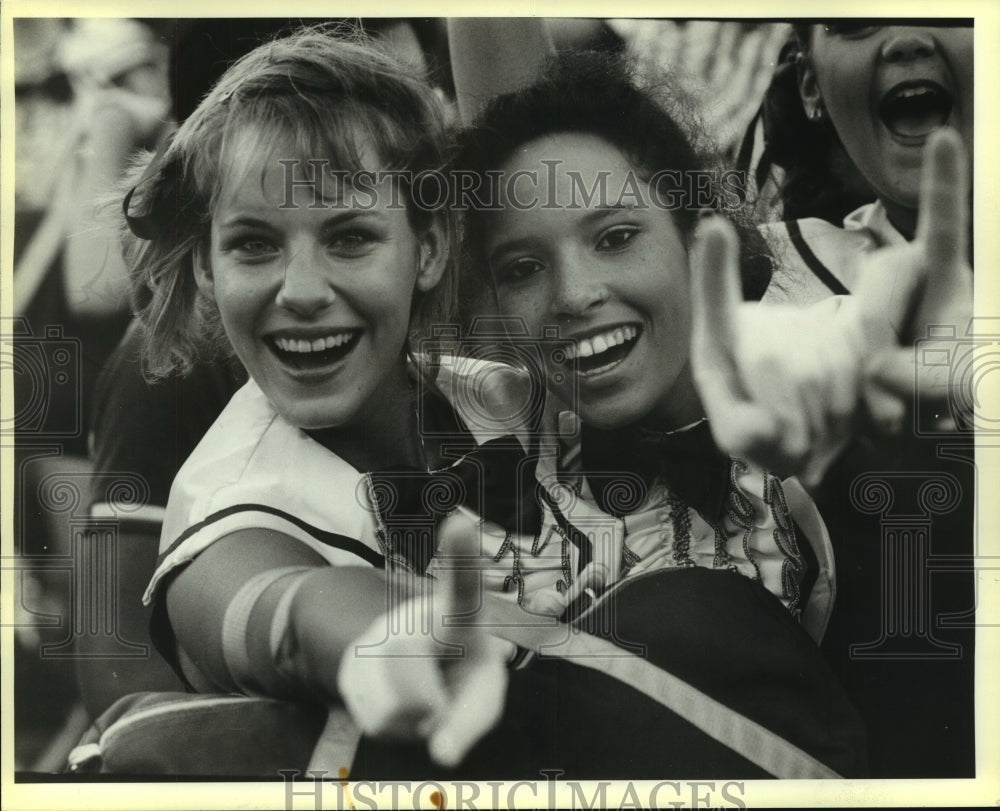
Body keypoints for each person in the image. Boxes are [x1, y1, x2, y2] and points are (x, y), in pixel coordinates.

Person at [345, 50, 868, 779]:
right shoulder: (503, 484)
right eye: (523, 269)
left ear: (698, 235)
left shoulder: (842, 380)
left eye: (616, 237)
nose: (573, 294)